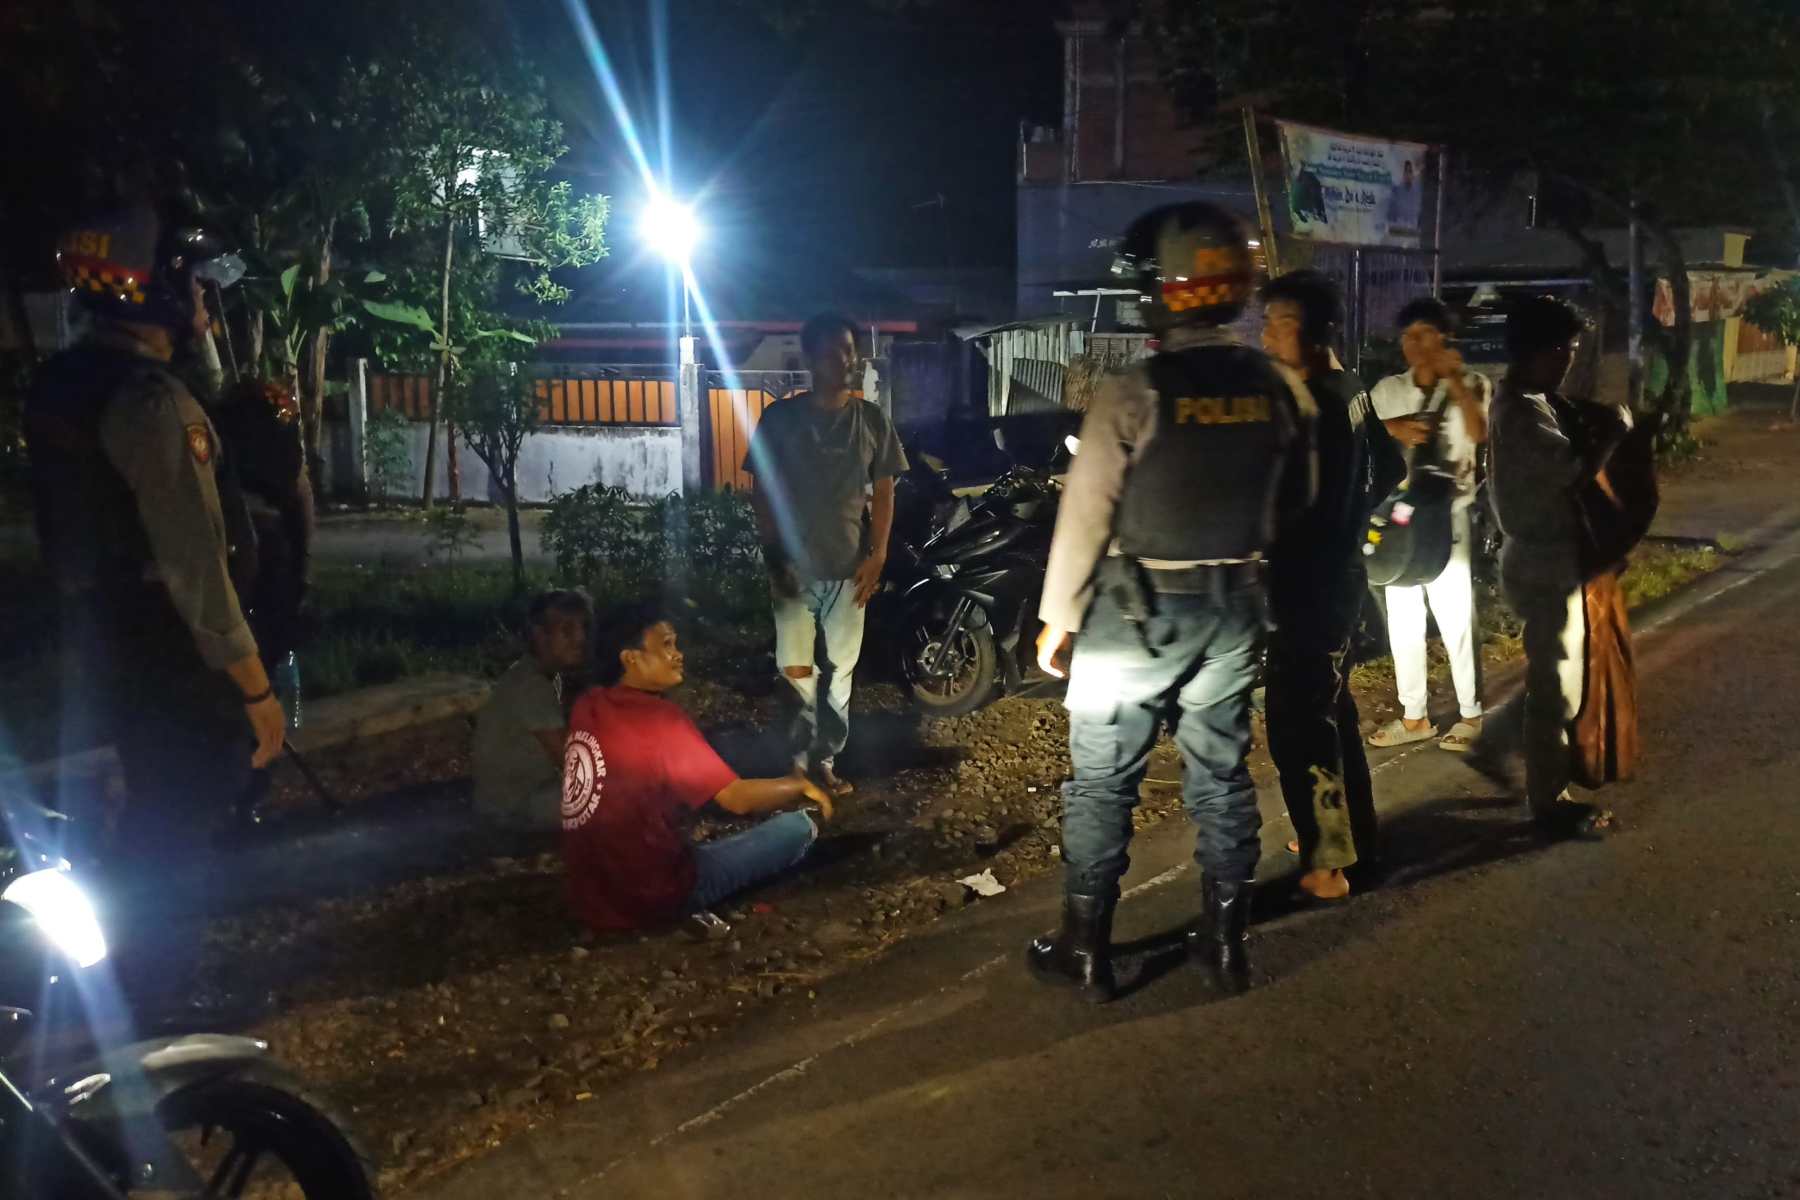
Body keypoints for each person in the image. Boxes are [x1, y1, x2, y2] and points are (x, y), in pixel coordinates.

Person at [1028, 203, 1317, 1002]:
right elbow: (1299, 501)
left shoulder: (1133, 392)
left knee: (1101, 782)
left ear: (1160, 290)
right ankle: (1223, 945)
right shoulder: (1281, 388)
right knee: (1220, 777)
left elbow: (1087, 511)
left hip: (1136, 614)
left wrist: (1061, 616)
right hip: (1233, 610)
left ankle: (1085, 948)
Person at [24, 204, 281, 1013]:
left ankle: (123, 983)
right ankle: (157, 1004)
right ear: (158, 292)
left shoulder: (64, 381)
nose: (206, 301)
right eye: (198, 284)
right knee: (175, 825)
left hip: (107, 640)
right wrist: (254, 688)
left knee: (146, 818)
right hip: (175, 659)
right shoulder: (148, 402)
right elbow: (195, 567)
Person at [1467, 297, 1648, 838]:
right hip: (1541, 560)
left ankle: (1495, 744)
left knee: (1556, 675)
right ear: (1537, 351)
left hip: (1548, 556)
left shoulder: (1531, 400)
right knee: (1558, 689)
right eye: (1564, 351)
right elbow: (1574, 470)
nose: (1569, 361)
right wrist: (1617, 430)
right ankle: (1547, 801)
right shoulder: (1520, 411)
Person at [1259, 271, 1404, 901]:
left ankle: (1326, 864)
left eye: (1278, 325)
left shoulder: (1307, 401)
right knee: (1332, 714)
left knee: (1300, 722)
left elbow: (1281, 507)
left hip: (1306, 587)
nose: (1266, 338)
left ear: (1313, 332)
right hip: (1342, 578)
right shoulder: (1353, 389)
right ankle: (1352, 839)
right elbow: (1392, 466)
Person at [561, 602, 835, 936]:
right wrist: (796, 785)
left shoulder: (587, 704)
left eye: (675, 644)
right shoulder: (660, 719)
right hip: (652, 896)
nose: (678, 655)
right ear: (630, 658)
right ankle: (683, 909)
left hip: (590, 899)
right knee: (794, 829)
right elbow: (737, 799)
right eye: (665, 646)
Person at [744, 312, 908, 798]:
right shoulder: (780, 420)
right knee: (796, 669)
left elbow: (884, 492)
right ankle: (796, 763)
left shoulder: (872, 421)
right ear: (812, 357)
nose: (848, 360)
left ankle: (826, 760)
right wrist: (774, 556)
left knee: (840, 673)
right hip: (792, 569)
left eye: (851, 350)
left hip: (849, 569)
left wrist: (877, 554)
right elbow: (762, 492)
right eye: (837, 350)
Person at [1367, 297, 1493, 753]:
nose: (1413, 345)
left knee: (1455, 617)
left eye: (1424, 335)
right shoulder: (1386, 391)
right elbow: (1363, 442)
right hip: (1400, 519)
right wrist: (1393, 430)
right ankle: (1414, 715)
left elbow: (1480, 434)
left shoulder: (1472, 383)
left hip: (1449, 516)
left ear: (1445, 338)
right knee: (1403, 620)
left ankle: (1471, 714)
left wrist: (1453, 378)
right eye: (1407, 337)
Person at [472, 589, 592, 831]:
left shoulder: (545, 675)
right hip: (515, 804)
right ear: (540, 635)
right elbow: (570, 762)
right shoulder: (531, 685)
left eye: (583, 628)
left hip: (530, 790)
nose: (580, 638)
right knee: (614, 798)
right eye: (567, 630)